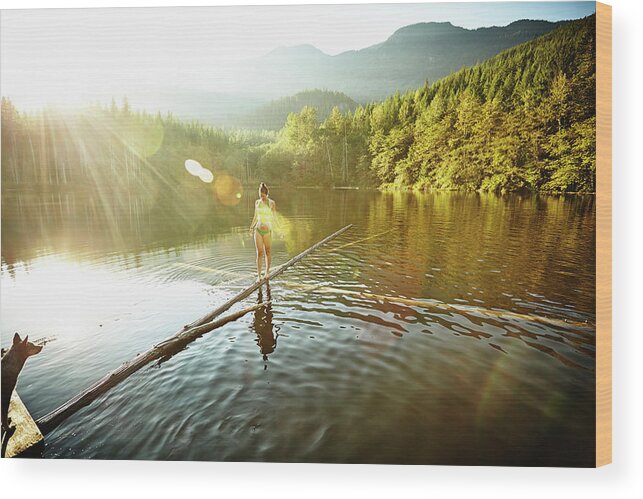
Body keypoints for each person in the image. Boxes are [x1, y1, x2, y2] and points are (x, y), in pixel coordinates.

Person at [250, 182, 277, 282]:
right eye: (260, 196)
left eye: (263, 196)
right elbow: (255, 216)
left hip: (267, 231)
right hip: (258, 230)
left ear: (267, 194)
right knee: (259, 252)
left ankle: (267, 272)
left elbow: (274, 217)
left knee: (268, 251)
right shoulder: (257, 203)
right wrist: (251, 227)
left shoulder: (271, 203)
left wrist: (279, 229)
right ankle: (259, 275)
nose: (262, 198)